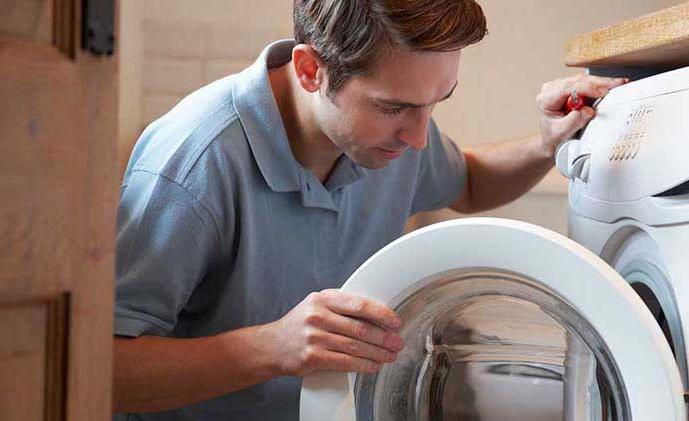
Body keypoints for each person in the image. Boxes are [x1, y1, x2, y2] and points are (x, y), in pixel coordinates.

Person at [112, 0, 626, 419]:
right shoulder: (195, 162)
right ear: (311, 70)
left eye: (435, 103)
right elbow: (101, 370)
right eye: (394, 107)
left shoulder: (385, 139)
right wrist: (272, 347)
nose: (420, 137)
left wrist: (545, 144)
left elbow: (466, 183)